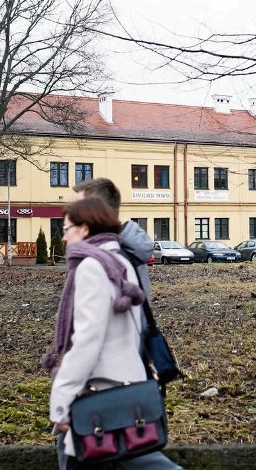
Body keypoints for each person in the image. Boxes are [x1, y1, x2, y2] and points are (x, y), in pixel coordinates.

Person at [71, 178, 183, 470]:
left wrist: (67, 390)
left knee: (132, 453)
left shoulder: (108, 258)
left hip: (110, 375)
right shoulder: (123, 249)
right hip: (126, 370)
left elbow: (98, 332)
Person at [43, 197, 151, 469]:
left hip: (98, 399)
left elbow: (87, 341)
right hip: (129, 390)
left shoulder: (92, 266)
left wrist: (61, 401)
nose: (64, 238)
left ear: (86, 228)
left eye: (66, 229)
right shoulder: (121, 261)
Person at [73, 178, 153, 302]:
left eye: (79, 209)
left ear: (98, 214)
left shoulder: (110, 257)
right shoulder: (127, 248)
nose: (73, 215)